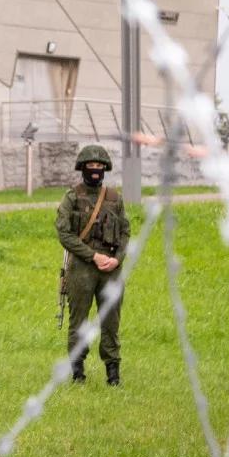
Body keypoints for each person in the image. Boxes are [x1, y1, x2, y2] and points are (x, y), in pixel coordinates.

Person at [54, 144, 131, 386]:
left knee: (111, 321)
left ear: (105, 169)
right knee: (79, 321)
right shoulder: (72, 197)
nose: (95, 170)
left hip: (110, 268)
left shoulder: (114, 198)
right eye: (91, 166)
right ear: (83, 168)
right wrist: (92, 256)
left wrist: (117, 258)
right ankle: (77, 372)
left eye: (100, 166)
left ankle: (113, 372)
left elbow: (125, 232)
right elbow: (64, 233)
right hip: (83, 268)